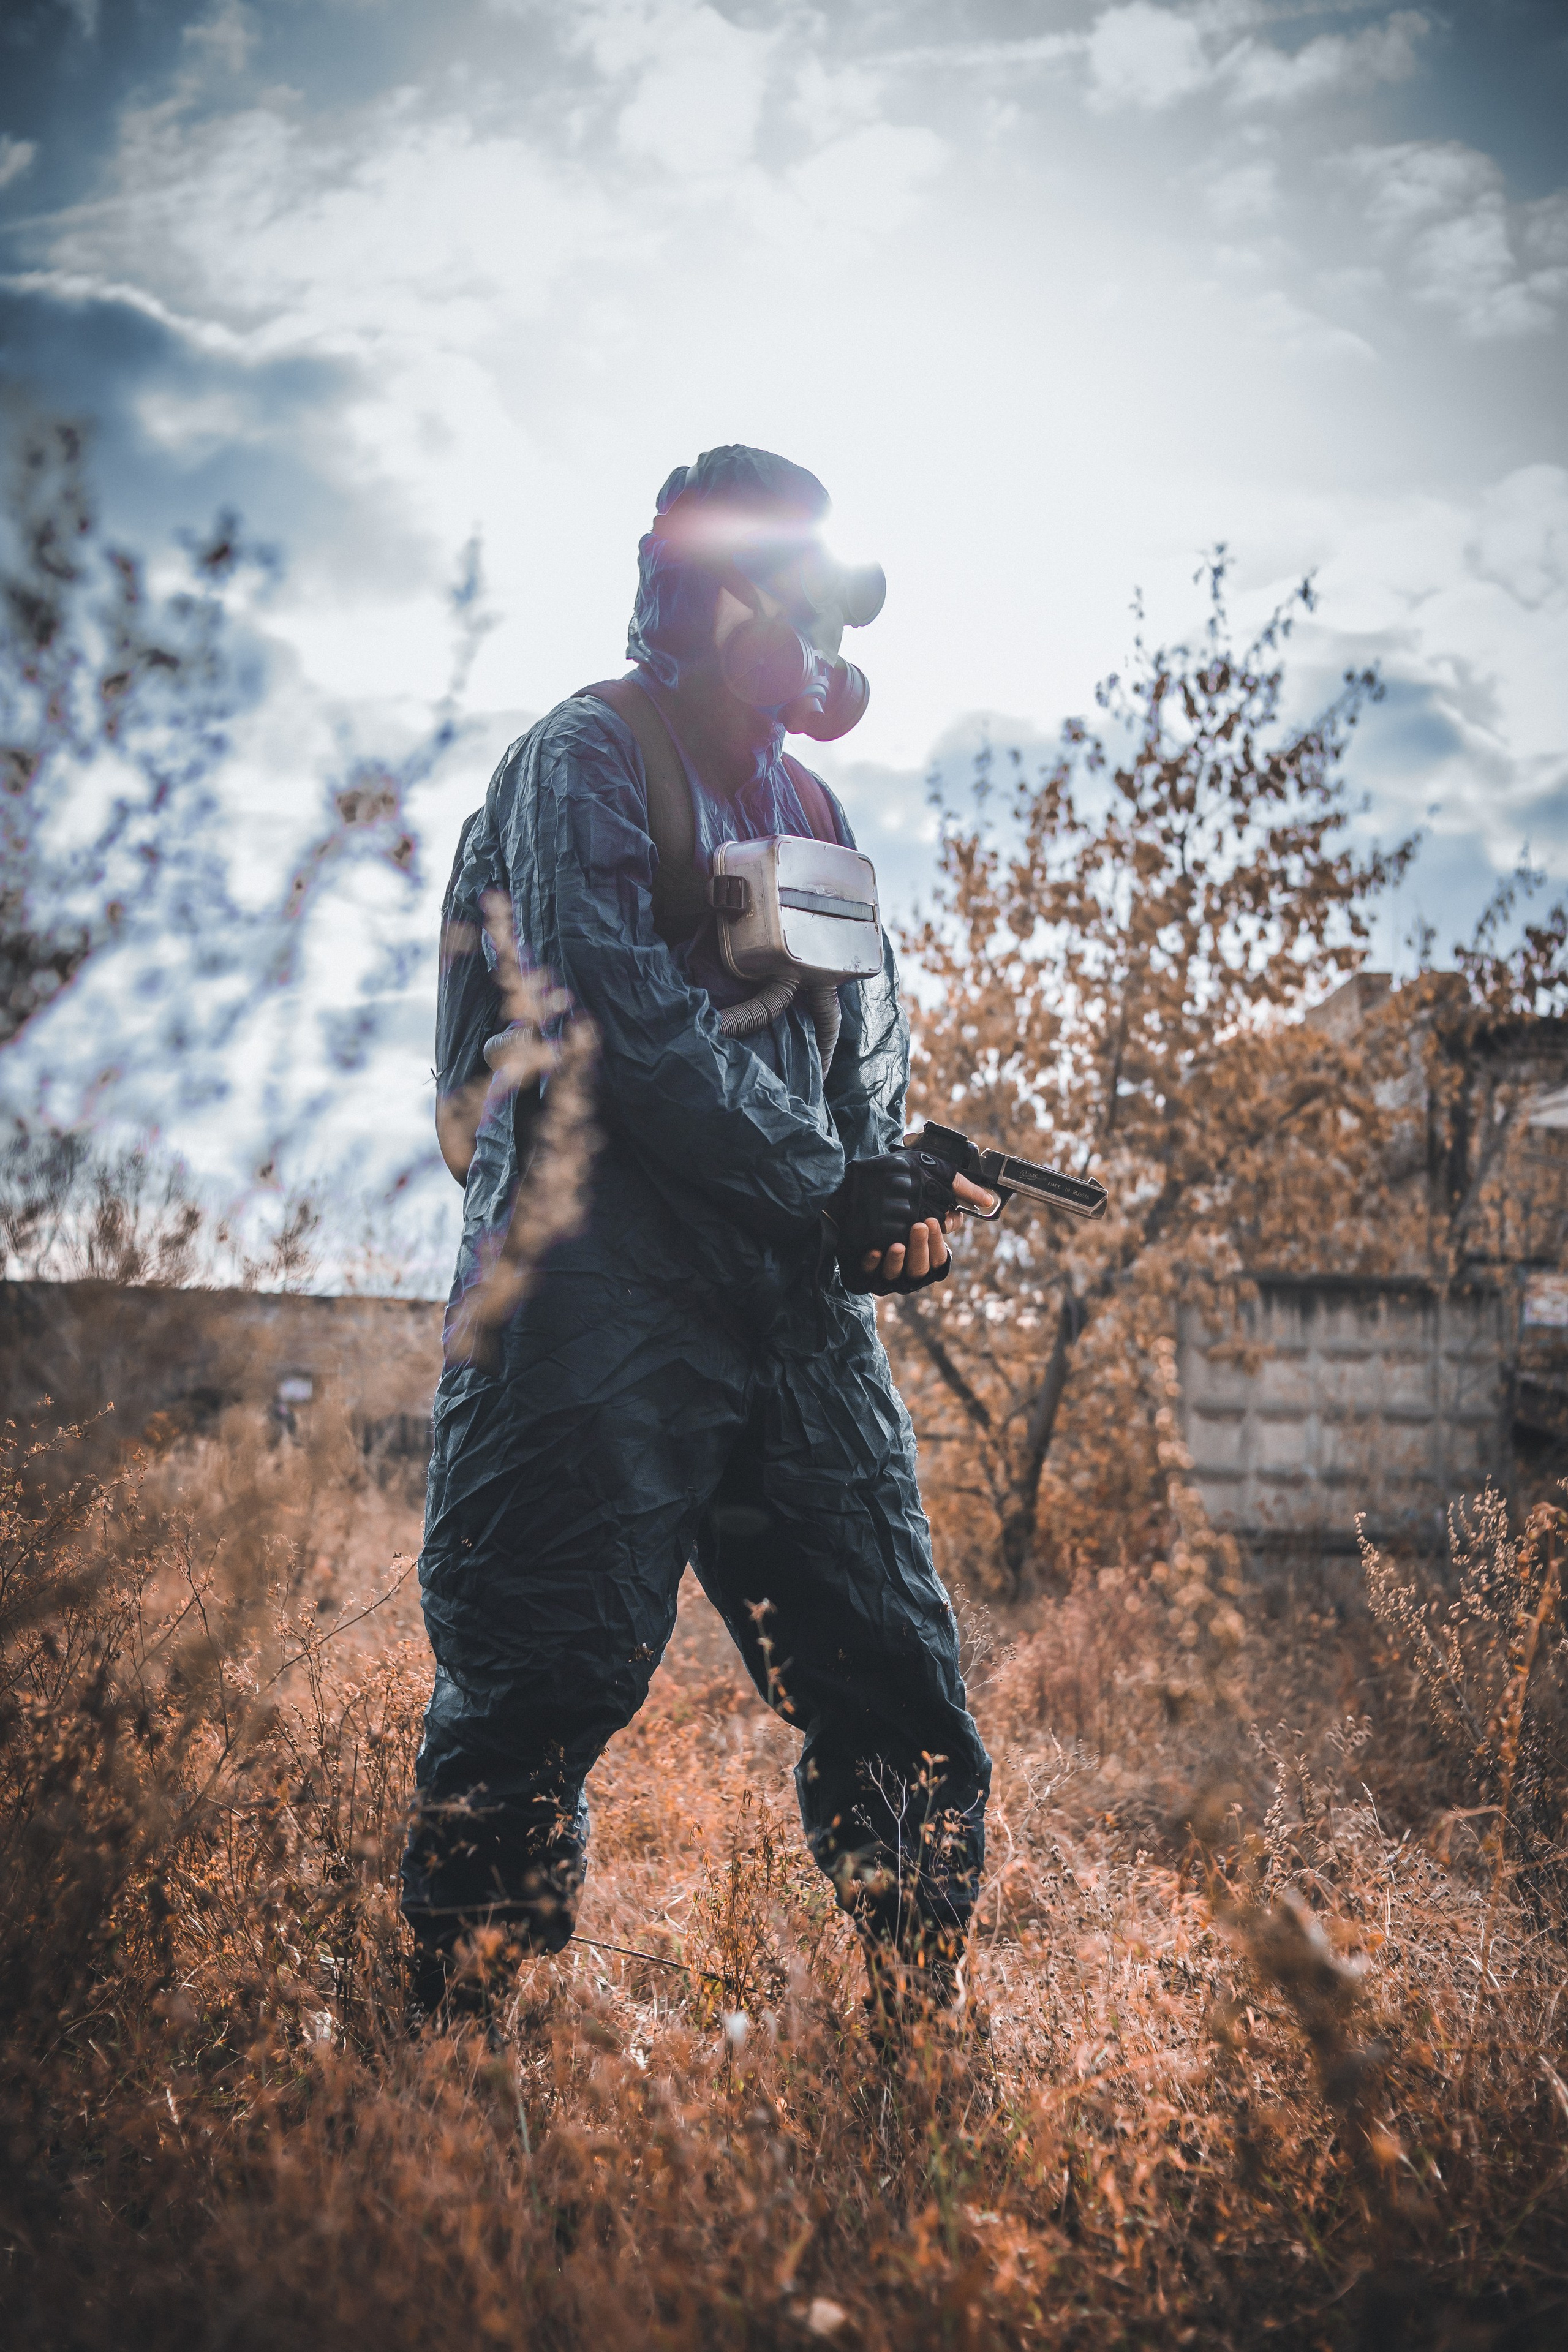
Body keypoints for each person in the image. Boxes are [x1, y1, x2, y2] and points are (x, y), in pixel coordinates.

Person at [401, 444, 993, 2030]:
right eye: (804, 605)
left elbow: (863, 1048)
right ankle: (458, 2057)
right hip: (594, 1295)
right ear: (716, 594)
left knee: (894, 1672)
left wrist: (885, 1185)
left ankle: (917, 2014)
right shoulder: (584, 756)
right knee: (537, 1675)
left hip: (792, 1313)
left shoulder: (810, 803)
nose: (831, 647)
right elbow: (610, 1018)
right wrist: (823, 1178)